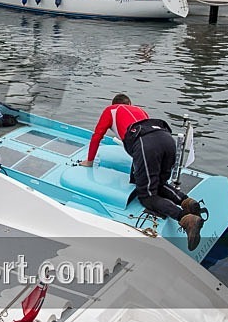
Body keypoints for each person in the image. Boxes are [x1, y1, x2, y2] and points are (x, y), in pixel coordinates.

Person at [81, 94, 205, 250]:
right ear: (130, 103)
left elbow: (97, 136)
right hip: (167, 139)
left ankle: (185, 218)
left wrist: (89, 161)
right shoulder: (139, 111)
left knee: (147, 195)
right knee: (158, 182)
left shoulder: (111, 110)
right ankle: (187, 202)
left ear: (114, 103)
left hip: (146, 144)